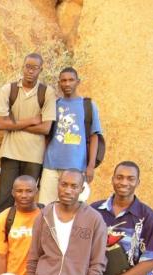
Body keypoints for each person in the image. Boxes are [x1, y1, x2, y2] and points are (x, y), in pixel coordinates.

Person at [0, 53, 57, 211]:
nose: (30, 71)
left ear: (40, 70)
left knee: (27, 199)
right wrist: (30, 121)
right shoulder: (9, 89)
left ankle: (25, 233)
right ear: (23, 67)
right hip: (10, 152)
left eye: (35, 68)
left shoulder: (47, 92)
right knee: (4, 199)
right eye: (28, 67)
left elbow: (45, 128)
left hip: (34, 155)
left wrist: (13, 124)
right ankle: (2, 233)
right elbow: (0, 123)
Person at [39, 67, 102, 205]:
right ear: (59, 83)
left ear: (78, 82)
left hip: (76, 167)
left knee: (73, 208)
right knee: (45, 207)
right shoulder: (54, 105)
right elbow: (47, 136)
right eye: (63, 80)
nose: (67, 84)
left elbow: (94, 136)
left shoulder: (88, 106)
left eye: (71, 80)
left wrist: (90, 166)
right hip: (51, 166)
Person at [0, 175, 42, 275]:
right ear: (12, 192)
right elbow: (1, 256)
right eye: (19, 191)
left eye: (29, 191)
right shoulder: (4, 218)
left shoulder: (45, 216)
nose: (24, 195)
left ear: (36, 192)